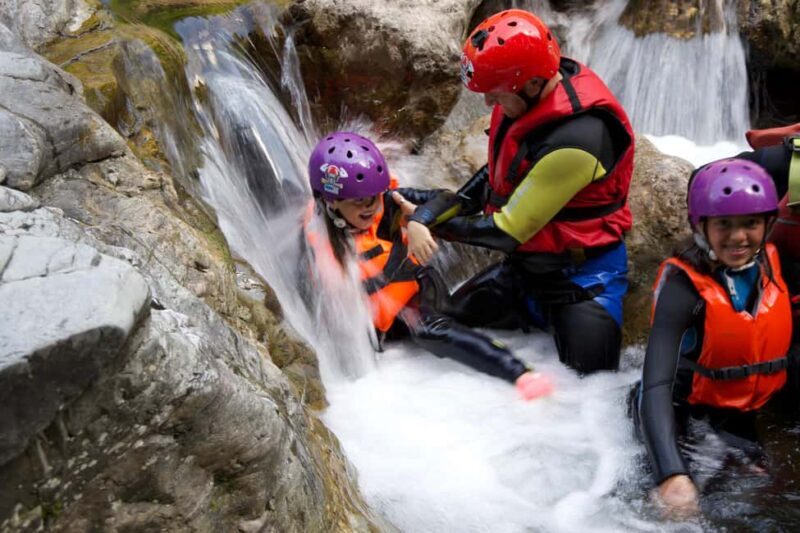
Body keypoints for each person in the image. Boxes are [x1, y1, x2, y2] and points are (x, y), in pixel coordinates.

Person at [397, 9, 635, 374]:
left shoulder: (580, 138)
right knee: (438, 320)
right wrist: (429, 206)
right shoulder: (527, 96)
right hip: (525, 271)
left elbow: (506, 231)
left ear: (533, 84)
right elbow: (497, 178)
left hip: (583, 280)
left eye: (494, 94)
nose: (488, 104)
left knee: (591, 382)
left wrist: (429, 225)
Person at [306, 131, 553, 400]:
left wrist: (418, 220)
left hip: (415, 289)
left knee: (429, 330)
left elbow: (447, 199)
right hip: (374, 325)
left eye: (373, 197)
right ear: (331, 201)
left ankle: (519, 373)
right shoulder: (311, 236)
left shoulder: (391, 204)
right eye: (359, 201)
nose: (370, 207)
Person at [634, 159, 793, 516]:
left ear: (768, 224)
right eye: (724, 224)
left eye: (750, 224)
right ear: (701, 225)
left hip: (735, 411)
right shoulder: (682, 288)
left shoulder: (770, 262)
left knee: (759, 488)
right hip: (680, 410)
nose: (738, 238)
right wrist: (671, 474)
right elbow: (656, 383)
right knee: (679, 505)